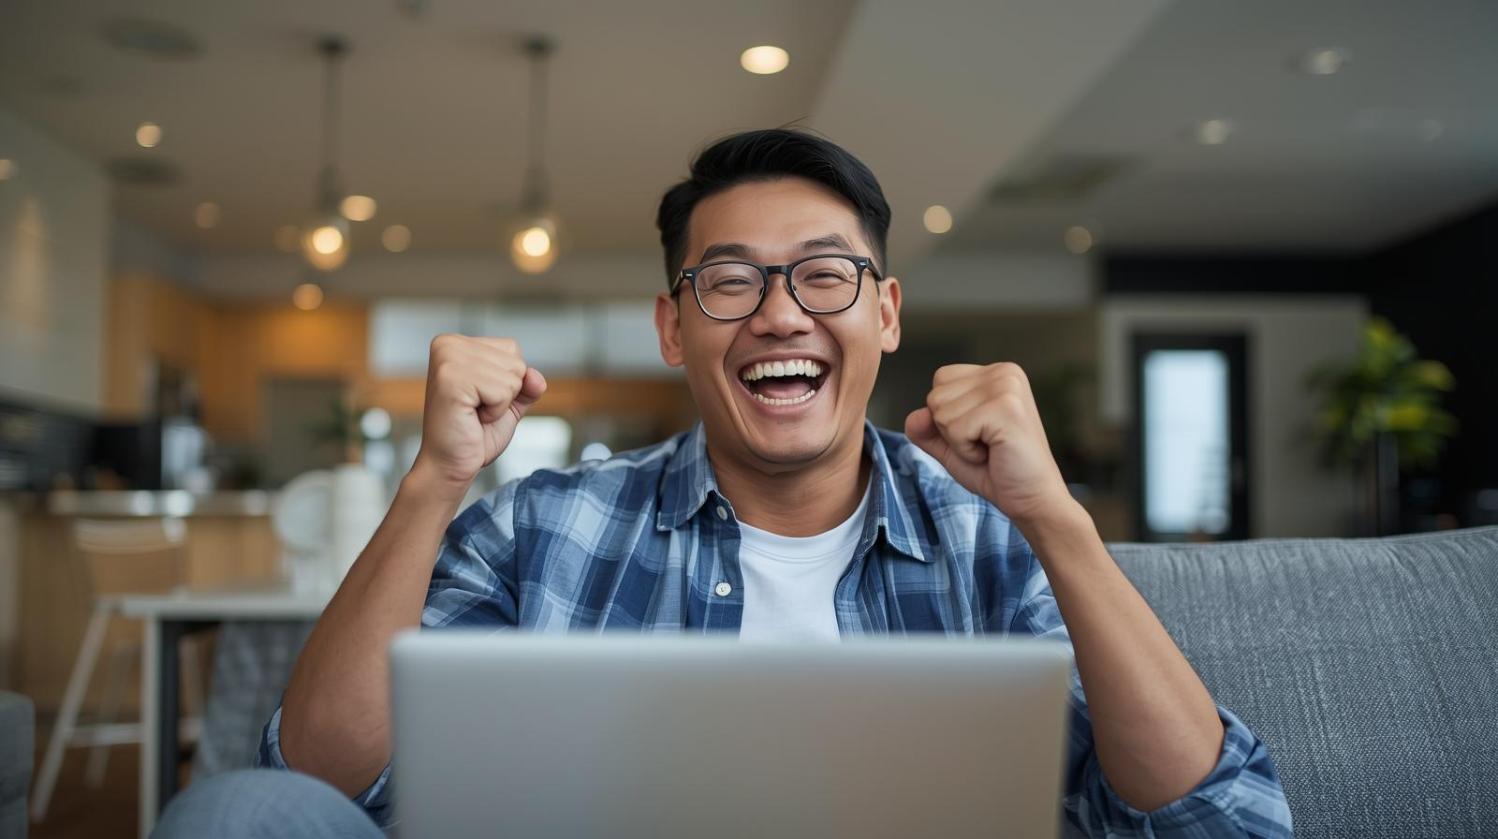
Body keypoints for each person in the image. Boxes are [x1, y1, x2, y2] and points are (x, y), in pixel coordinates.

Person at [155, 129, 1292, 837]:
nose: (782, 313)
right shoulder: (543, 524)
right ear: (673, 326)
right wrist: (432, 482)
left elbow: (1217, 818)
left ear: (885, 315)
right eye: (732, 281)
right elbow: (318, 777)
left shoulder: (993, 536)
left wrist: (1058, 522)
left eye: (825, 276)